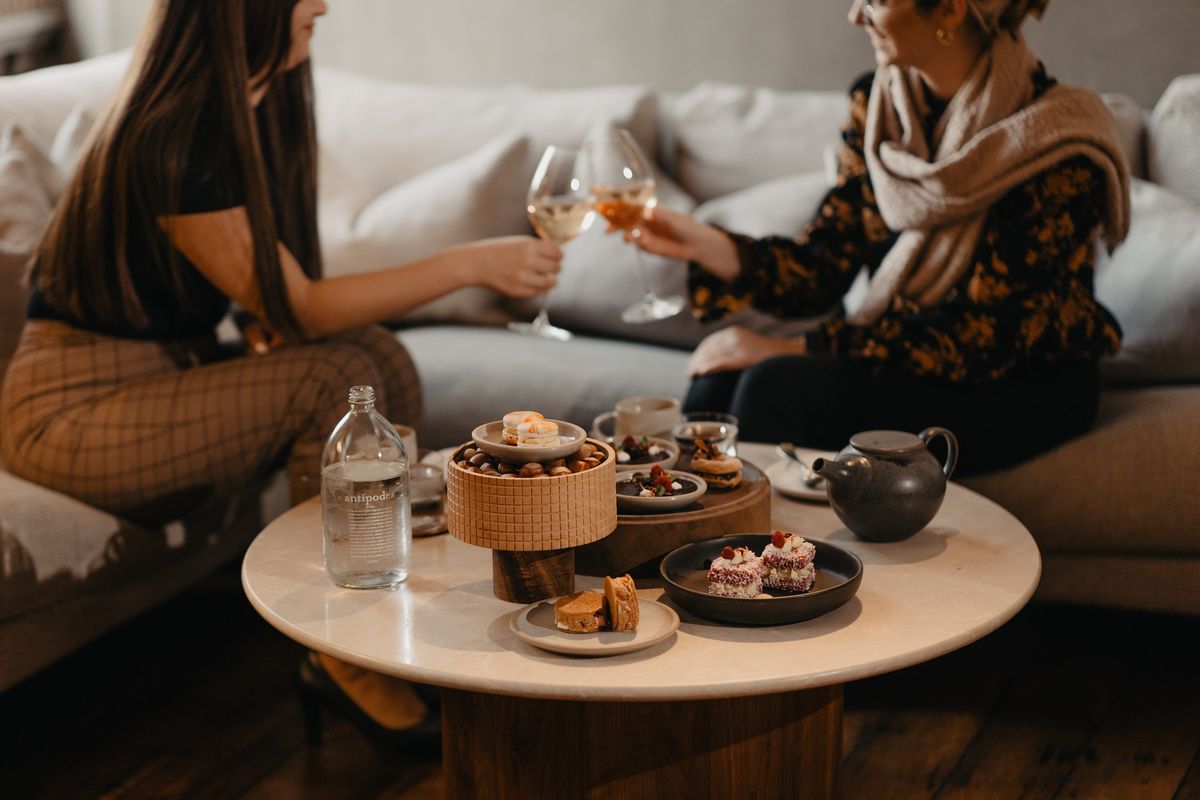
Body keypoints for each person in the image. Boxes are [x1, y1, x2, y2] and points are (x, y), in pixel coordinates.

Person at [0, 0, 560, 756]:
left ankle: (396, 619)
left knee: (379, 361)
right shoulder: (179, 133)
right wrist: (471, 262)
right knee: (333, 376)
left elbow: (280, 303)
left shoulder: (249, 111)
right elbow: (300, 311)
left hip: (153, 379)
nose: (322, 5)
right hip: (71, 412)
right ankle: (343, 654)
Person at [622, 0, 1129, 475]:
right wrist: (703, 242)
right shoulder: (880, 107)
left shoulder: (1053, 137)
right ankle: (695, 556)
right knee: (714, 385)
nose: (855, 15)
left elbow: (986, 332)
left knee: (772, 386)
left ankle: (765, 564)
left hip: (1018, 379)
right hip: (906, 354)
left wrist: (797, 348)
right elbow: (825, 262)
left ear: (949, 10)